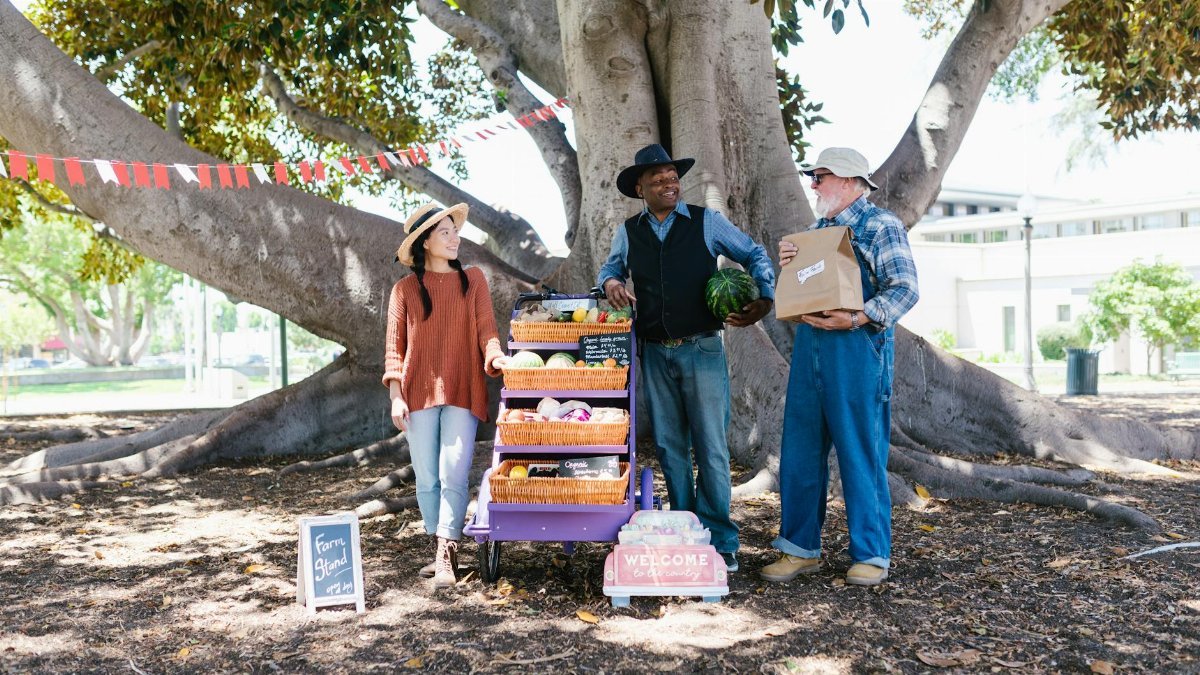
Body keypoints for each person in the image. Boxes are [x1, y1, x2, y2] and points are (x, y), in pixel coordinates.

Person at [597, 143, 776, 572]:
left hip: (702, 349)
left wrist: (764, 297)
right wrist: (610, 285)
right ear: (640, 187)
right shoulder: (629, 231)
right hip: (654, 352)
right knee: (670, 448)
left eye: (673, 176)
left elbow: (753, 253)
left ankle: (720, 538)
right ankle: (686, 530)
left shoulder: (705, 221)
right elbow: (610, 269)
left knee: (712, 447)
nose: (668, 183)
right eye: (657, 178)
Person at [760, 147, 919, 586]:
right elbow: (801, 293)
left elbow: (905, 289)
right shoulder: (816, 232)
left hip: (857, 352)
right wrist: (791, 271)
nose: (812, 184)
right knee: (799, 451)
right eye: (812, 176)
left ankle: (871, 554)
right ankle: (799, 549)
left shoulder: (881, 226)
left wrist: (856, 316)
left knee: (860, 452)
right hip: (810, 350)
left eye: (821, 176)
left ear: (850, 182)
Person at [383, 202, 508, 590]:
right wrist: (395, 395)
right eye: (445, 232)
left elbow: (487, 330)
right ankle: (439, 539)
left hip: (462, 387)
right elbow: (394, 349)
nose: (455, 238)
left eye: (456, 230)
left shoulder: (474, 280)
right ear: (425, 242)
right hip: (416, 392)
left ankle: (446, 553)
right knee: (426, 478)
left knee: (453, 470)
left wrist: (496, 356)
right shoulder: (404, 290)